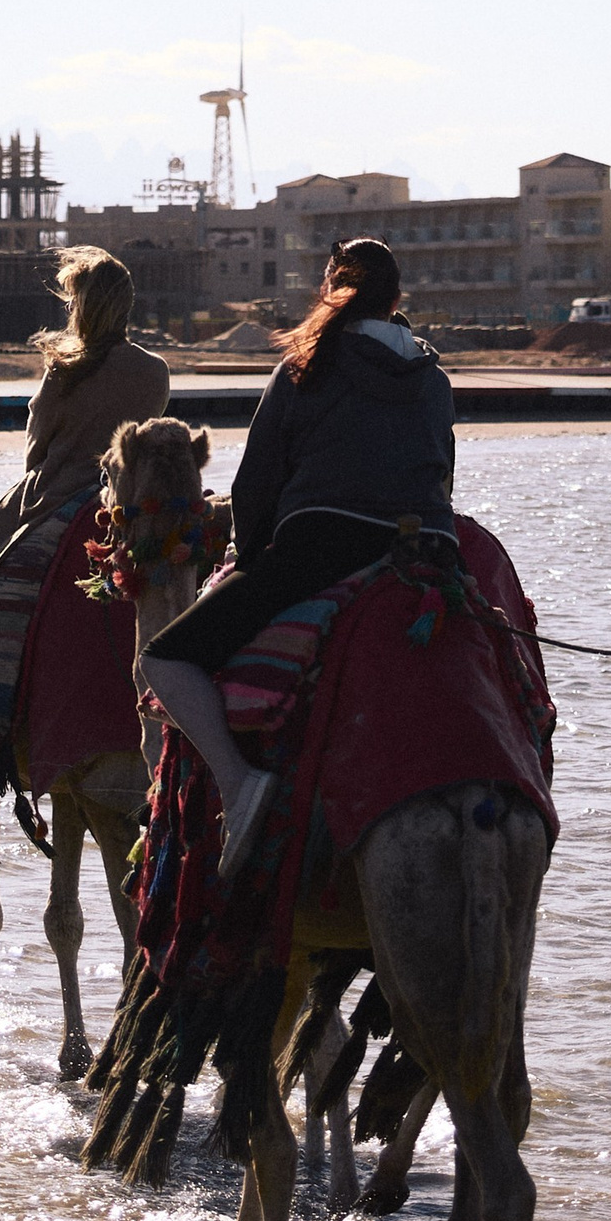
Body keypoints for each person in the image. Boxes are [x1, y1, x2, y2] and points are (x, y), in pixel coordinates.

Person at [141, 236, 455, 873]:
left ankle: (238, 783)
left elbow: (255, 482)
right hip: (429, 550)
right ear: (396, 298)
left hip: (325, 545)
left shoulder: (306, 365)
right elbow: (443, 474)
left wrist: (252, 558)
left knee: (164, 659)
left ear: (332, 291)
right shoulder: (433, 375)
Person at [0, 248, 169, 687]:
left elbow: (37, 446)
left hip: (52, 492)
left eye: (71, 302)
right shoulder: (154, 369)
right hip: (125, 495)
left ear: (81, 306)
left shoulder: (64, 369)